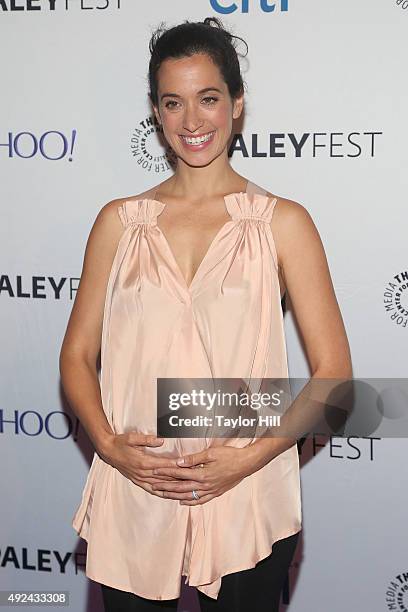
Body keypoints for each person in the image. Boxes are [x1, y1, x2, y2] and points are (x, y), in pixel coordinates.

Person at [59, 17, 352, 612]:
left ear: (237, 104)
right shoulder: (119, 221)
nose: (192, 122)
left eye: (208, 99)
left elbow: (335, 378)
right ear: (157, 113)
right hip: (138, 486)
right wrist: (111, 447)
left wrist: (244, 459)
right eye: (174, 103)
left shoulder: (282, 222)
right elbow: (75, 354)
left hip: (247, 490)